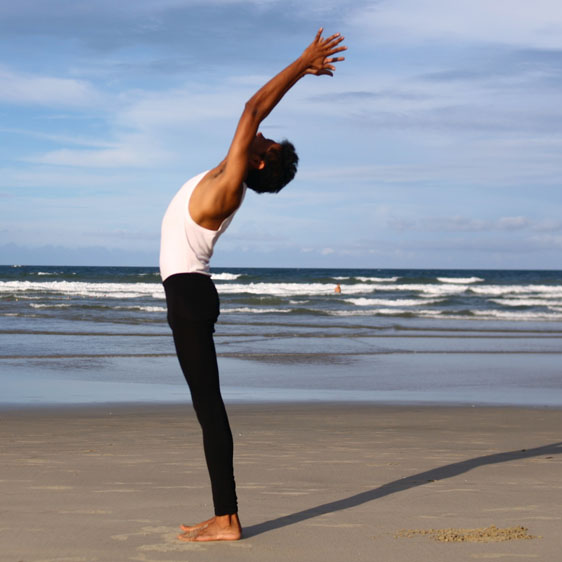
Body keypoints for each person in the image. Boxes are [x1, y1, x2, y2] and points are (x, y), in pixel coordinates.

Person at [159, 28, 346, 542]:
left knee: (209, 409)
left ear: (258, 160)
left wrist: (302, 64)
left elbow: (251, 107)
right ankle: (223, 515)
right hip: (190, 296)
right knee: (207, 407)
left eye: (264, 141)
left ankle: (228, 519)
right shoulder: (226, 172)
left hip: (190, 296)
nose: (260, 133)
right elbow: (250, 117)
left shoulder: (229, 183)